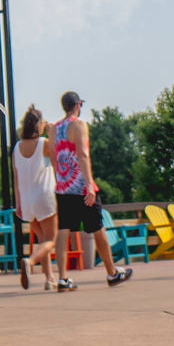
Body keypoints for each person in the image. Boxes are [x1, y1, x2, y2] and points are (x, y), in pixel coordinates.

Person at [51, 92, 132, 289]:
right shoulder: (78, 125)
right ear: (78, 105)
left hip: (63, 187)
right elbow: (83, 154)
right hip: (80, 186)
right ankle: (112, 272)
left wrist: (60, 181)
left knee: (63, 230)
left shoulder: (54, 129)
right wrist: (89, 184)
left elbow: (53, 158)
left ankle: (62, 278)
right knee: (97, 227)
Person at [12, 105, 61, 290]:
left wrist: (18, 204)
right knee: (50, 240)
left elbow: (16, 180)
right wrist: (52, 135)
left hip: (26, 201)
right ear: (39, 124)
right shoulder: (44, 143)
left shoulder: (17, 147)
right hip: (45, 196)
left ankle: (49, 279)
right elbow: (56, 161)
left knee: (42, 240)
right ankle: (30, 262)